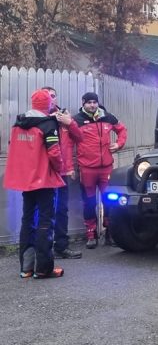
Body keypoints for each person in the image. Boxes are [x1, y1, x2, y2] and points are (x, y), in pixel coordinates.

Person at [3, 90, 65, 279]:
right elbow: (54, 153)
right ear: (47, 104)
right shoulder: (48, 124)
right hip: (44, 179)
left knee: (27, 220)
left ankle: (26, 268)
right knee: (46, 222)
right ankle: (43, 269)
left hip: (26, 180)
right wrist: (60, 168)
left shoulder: (18, 123)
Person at [73, 92, 127, 249]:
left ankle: (110, 232)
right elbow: (69, 143)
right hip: (87, 169)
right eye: (89, 102)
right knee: (89, 203)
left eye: (94, 102)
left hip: (106, 168)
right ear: (83, 103)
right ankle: (91, 234)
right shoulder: (77, 121)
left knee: (109, 200)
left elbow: (122, 130)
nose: (92, 105)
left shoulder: (107, 117)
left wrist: (118, 144)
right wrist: (70, 167)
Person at [42, 87, 83, 259]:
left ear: (56, 98)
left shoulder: (65, 117)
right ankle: (42, 248)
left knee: (62, 209)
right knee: (43, 211)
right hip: (44, 173)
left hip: (63, 172)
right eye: (46, 96)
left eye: (53, 96)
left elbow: (79, 137)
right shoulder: (37, 118)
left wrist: (70, 122)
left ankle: (61, 246)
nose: (51, 99)